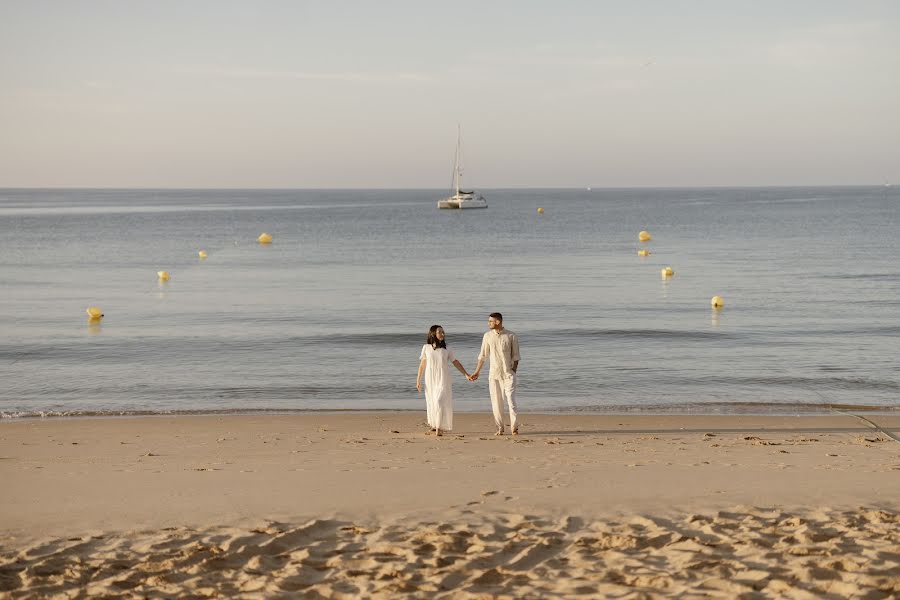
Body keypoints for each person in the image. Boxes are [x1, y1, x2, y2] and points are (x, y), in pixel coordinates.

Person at [470, 312, 521, 435]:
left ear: (497, 321)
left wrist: (513, 370)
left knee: (511, 401)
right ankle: (500, 428)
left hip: (508, 374)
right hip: (494, 374)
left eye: (490, 321)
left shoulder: (511, 335)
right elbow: (483, 356)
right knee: (496, 403)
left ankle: (514, 428)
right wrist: (477, 371)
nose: (488, 323)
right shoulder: (487, 336)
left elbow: (516, 356)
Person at [416, 325, 471, 436]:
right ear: (433, 334)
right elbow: (422, 365)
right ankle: (434, 425)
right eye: (440, 332)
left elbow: (455, 362)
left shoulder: (447, 348)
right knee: (431, 402)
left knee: (439, 401)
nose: (442, 334)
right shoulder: (426, 348)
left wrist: (466, 374)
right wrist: (418, 380)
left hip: (443, 378)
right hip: (430, 378)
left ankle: (439, 427)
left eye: (443, 332)